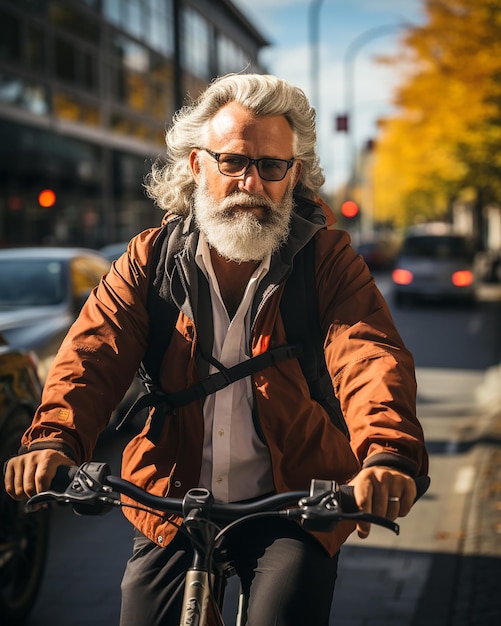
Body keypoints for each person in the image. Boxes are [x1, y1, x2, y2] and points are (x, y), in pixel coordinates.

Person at [4, 73, 428, 626]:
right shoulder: (149, 259)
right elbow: (93, 354)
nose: (251, 183)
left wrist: (387, 455)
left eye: (271, 166)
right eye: (232, 162)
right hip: (171, 498)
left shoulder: (325, 257)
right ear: (197, 165)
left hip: (293, 504)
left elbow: (368, 353)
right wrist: (55, 440)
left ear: (293, 176)